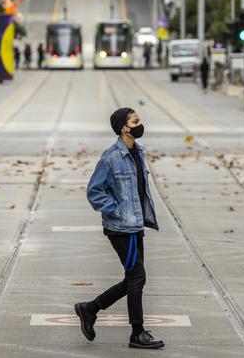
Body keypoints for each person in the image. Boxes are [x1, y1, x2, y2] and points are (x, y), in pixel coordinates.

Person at [75, 107, 164, 350]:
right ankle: (137, 332)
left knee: (134, 277)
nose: (140, 124)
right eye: (135, 121)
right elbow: (94, 191)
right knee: (137, 276)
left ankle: (90, 309)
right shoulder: (111, 157)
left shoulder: (138, 152)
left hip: (135, 226)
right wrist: (117, 209)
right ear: (124, 127)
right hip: (122, 228)